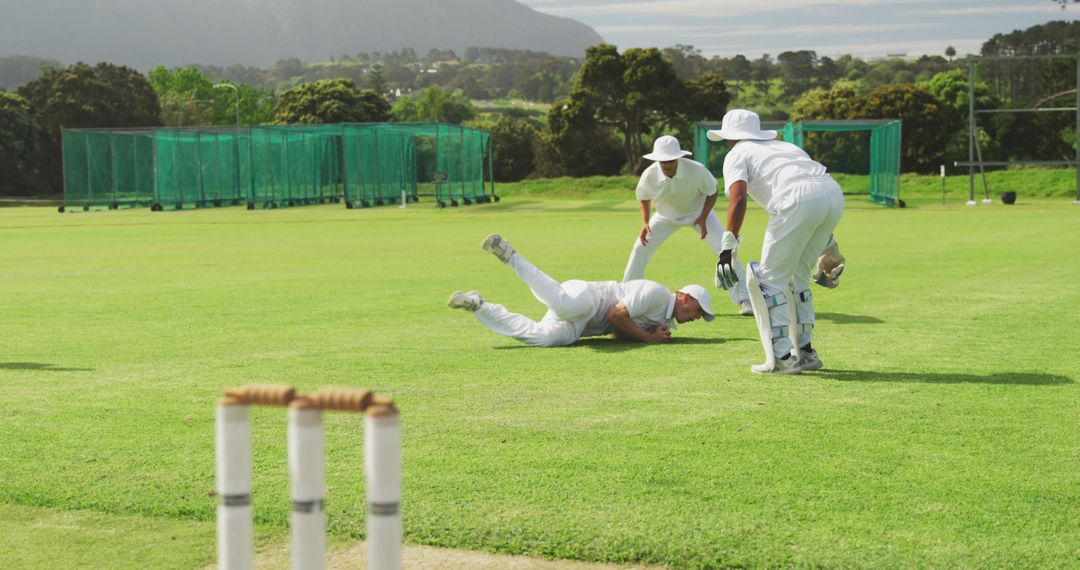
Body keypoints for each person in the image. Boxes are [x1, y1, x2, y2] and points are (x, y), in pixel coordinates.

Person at [710, 109, 845, 374]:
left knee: (766, 280)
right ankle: (805, 353)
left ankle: (782, 358)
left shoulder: (736, 153)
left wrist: (727, 247)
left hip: (796, 201)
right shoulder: (786, 147)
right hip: (832, 195)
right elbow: (813, 189)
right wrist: (827, 243)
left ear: (730, 137)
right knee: (798, 278)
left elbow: (738, 198)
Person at [448, 234, 714, 347]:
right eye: (698, 311)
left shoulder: (664, 322)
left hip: (586, 324)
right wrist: (647, 337)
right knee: (565, 305)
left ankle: (478, 305)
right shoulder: (657, 293)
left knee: (544, 339)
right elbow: (615, 316)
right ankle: (508, 254)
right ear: (685, 297)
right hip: (591, 299)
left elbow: (616, 335)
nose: (696, 318)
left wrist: (646, 333)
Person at [622, 135, 753, 316]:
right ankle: (625, 296)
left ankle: (745, 299)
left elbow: (712, 191)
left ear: (678, 157)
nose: (667, 164)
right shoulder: (649, 174)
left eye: (671, 160)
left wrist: (703, 216)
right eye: (663, 161)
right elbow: (643, 196)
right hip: (664, 217)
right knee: (639, 248)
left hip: (698, 213)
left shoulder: (697, 170)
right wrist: (645, 222)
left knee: (724, 249)